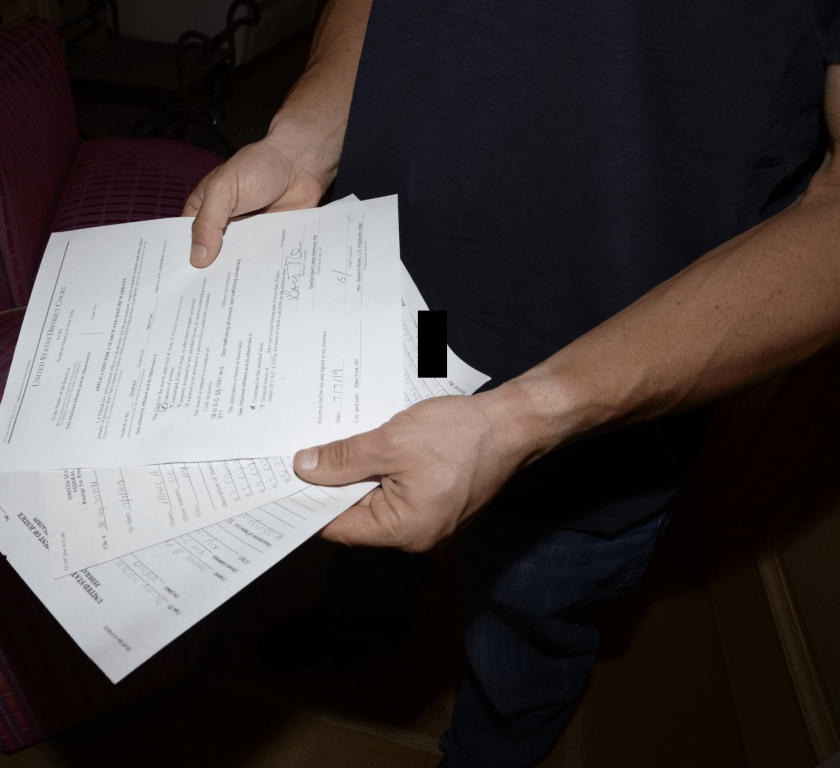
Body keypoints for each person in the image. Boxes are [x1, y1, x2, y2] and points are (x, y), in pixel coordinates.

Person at [184, 0, 840, 764]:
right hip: (404, 299)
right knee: (368, 526)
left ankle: (489, 749)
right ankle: (361, 629)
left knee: (525, 624)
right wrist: (304, 137)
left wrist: (525, 418)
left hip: (606, 371)